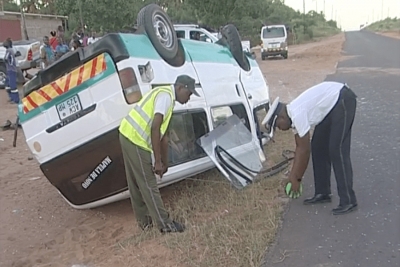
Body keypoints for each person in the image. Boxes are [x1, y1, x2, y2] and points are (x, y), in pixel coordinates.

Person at [118, 75, 199, 233]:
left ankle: (145, 223)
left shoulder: (166, 97)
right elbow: (155, 127)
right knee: (148, 184)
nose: (188, 99)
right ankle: (165, 224)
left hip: (126, 134)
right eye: (188, 94)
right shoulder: (165, 96)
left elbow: (164, 137)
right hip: (136, 139)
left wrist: (165, 162)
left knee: (135, 183)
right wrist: (157, 162)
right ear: (180, 87)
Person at [262, 81, 358, 215]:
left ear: (282, 117)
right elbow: (300, 147)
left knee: (337, 150)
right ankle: (323, 193)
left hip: (342, 100)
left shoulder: (296, 113)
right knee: (318, 146)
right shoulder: (293, 115)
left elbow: (304, 150)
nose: (280, 129)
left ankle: (348, 200)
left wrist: (296, 178)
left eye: (278, 125)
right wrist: (294, 176)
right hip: (330, 108)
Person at [3, 38, 19, 104]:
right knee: (8, 84)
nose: (4, 43)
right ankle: (12, 97)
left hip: (11, 70)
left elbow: (6, 59)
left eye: (5, 42)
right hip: (9, 70)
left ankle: (16, 99)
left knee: (13, 85)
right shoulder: (9, 50)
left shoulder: (9, 50)